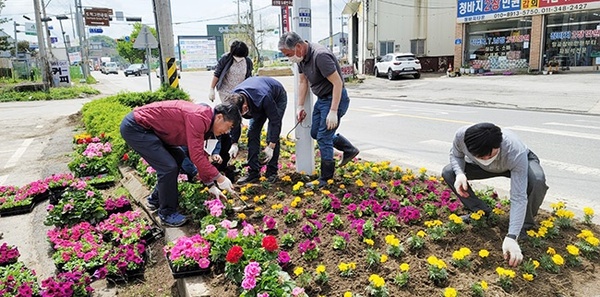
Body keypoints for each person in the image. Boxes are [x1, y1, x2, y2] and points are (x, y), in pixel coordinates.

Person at [441, 122, 548, 267]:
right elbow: (456, 155)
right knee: (449, 172)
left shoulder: (514, 150)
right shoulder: (462, 136)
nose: (485, 158)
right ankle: (481, 212)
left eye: (489, 155)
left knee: (537, 180)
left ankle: (525, 225)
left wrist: (511, 236)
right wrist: (460, 174)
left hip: (516, 164)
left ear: (499, 145)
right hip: (482, 168)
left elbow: (518, 197)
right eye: (479, 155)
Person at [120, 100, 241, 227]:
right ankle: (166, 213)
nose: (227, 132)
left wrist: (211, 184)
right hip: (136, 127)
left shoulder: (206, 120)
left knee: (178, 156)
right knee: (168, 167)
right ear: (220, 117)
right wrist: (219, 178)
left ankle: (155, 199)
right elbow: (197, 157)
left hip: (151, 130)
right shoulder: (199, 118)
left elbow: (198, 152)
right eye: (229, 127)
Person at [278, 31, 359, 188]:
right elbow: (303, 82)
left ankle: (326, 179)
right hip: (322, 100)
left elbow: (337, 83)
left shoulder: (320, 56)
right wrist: (300, 106)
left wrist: (334, 110)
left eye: (289, 54)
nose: (289, 58)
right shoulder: (301, 59)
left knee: (323, 137)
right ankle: (349, 149)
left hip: (335, 98)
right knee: (315, 132)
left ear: (299, 47)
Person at [223, 76, 288, 185]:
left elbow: (275, 121)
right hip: (255, 102)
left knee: (271, 134)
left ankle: (272, 172)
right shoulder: (234, 97)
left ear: (244, 107)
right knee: (252, 133)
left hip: (276, 97)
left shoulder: (264, 97)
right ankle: (253, 172)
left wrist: (271, 146)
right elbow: (235, 121)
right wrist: (234, 143)